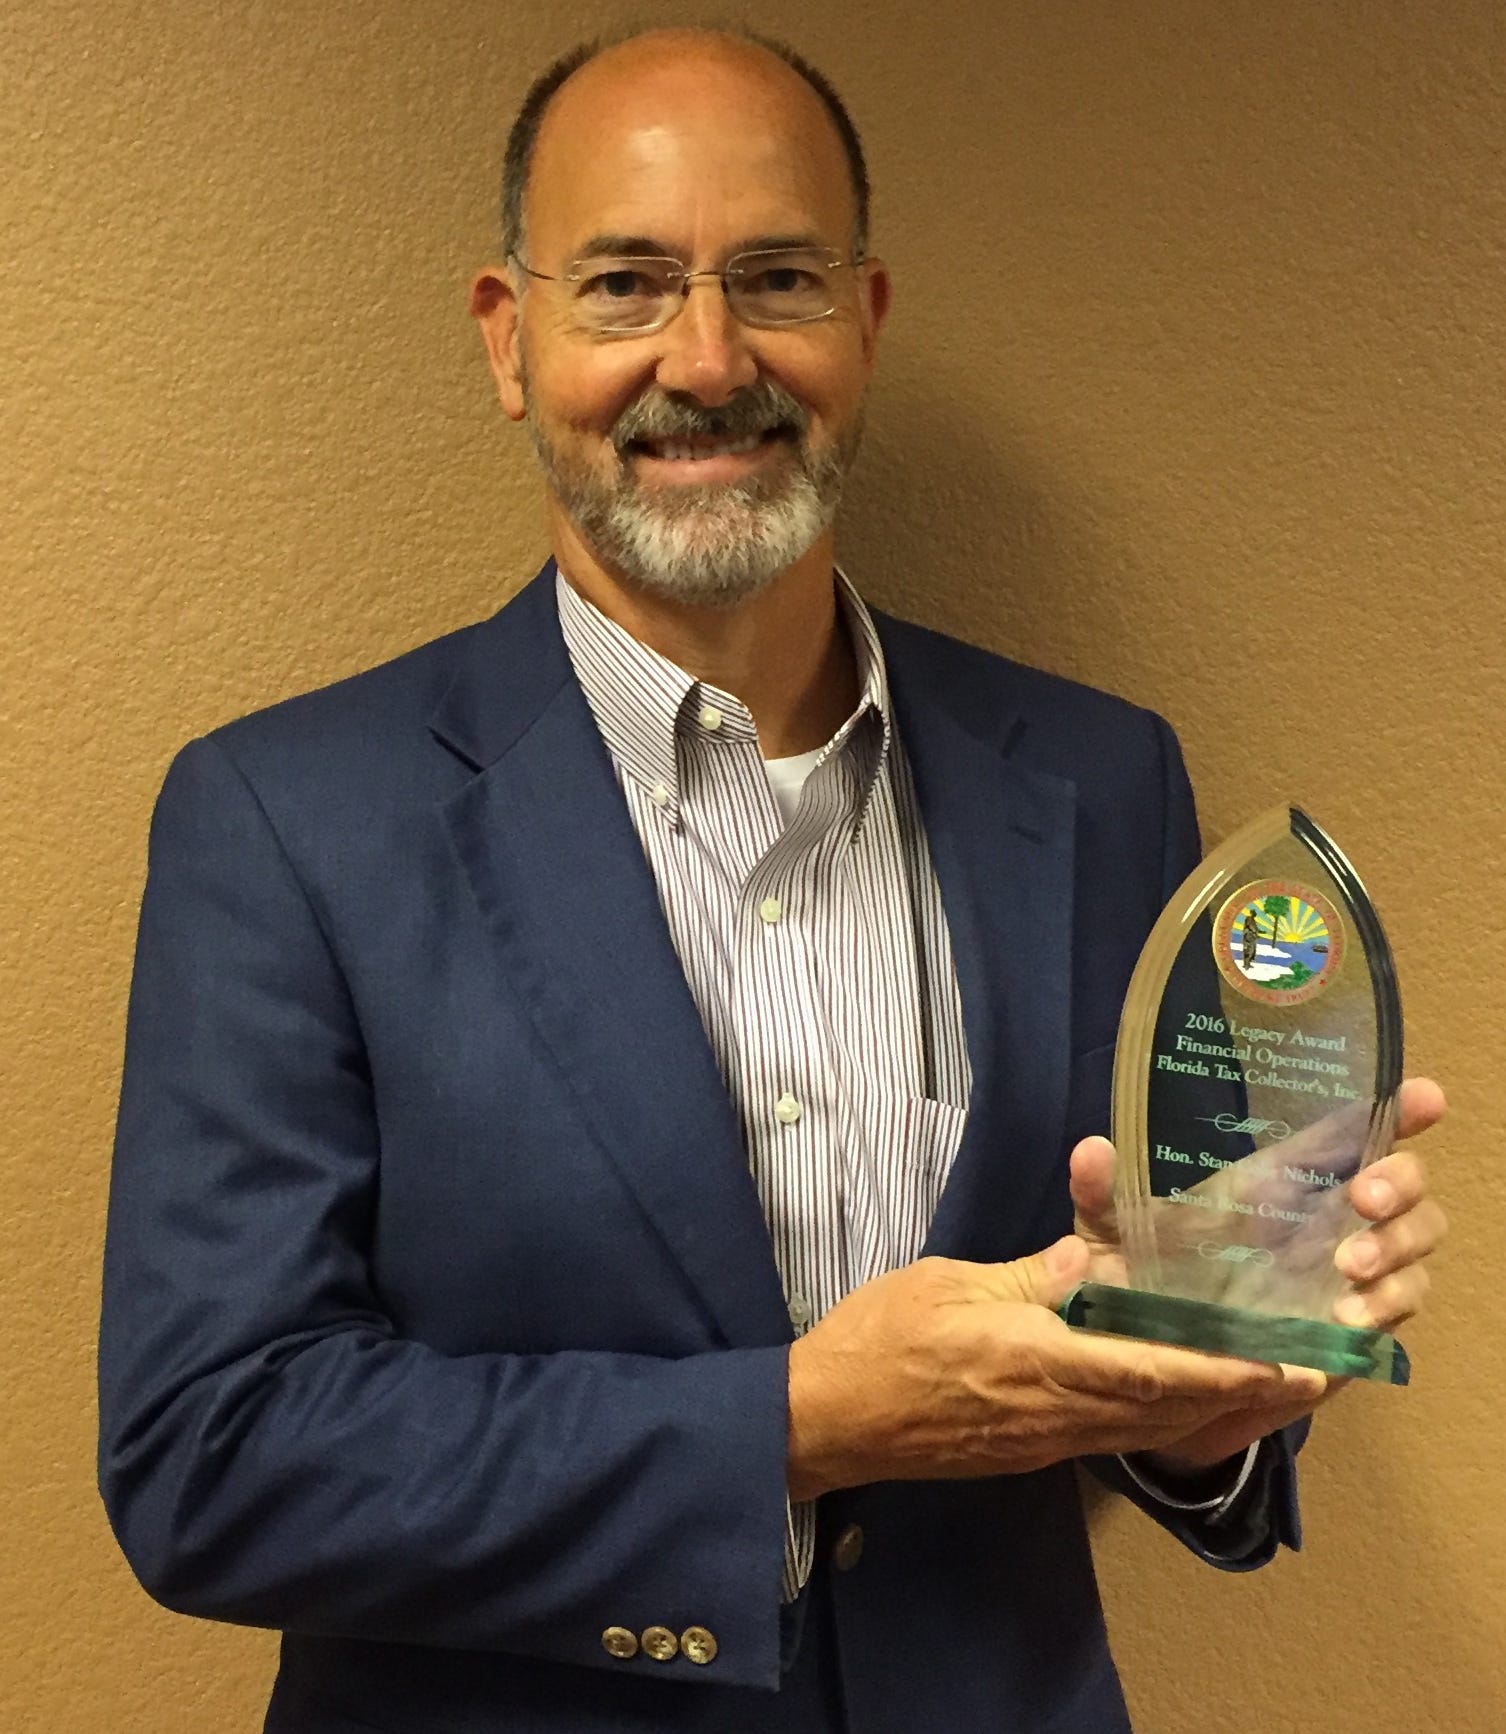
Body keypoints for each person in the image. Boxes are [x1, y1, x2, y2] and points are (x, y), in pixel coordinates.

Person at [98, 28, 1446, 1734]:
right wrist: (794, 1423)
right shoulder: (286, 819)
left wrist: (1208, 1398)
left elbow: (1149, 1357)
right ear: (509, 339)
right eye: (624, 284)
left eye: (777, 278)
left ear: (863, 322)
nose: (708, 356)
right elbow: (212, 1458)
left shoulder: (1099, 779)